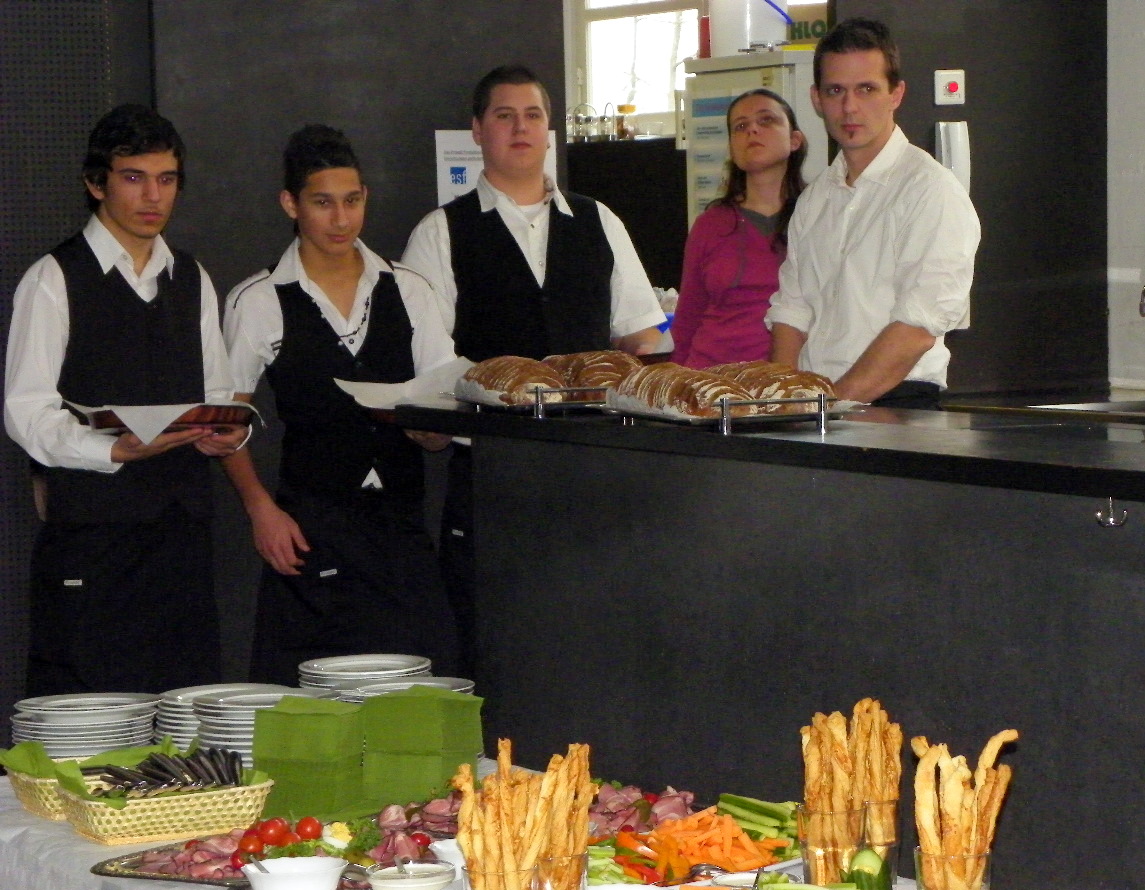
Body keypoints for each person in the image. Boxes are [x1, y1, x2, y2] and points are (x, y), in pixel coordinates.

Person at [401, 64, 667, 671]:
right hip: (489, 472)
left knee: (588, 634)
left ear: (549, 131)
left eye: (533, 115)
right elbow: (428, 362)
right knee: (489, 641)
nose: (520, 128)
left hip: (591, 468)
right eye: (504, 115)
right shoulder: (440, 233)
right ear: (478, 130)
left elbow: (642, 335)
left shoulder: (599, 220)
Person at [4, 104, 245, 696]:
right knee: (94, 719)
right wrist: (111, 451)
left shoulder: (192, 277)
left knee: (185, 715)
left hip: (181, 539)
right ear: (97, 183)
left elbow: (216, 391)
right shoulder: (53, 278)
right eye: (134, 177)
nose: (153, 196)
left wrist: (226, 430)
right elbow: (26, 411)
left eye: (166, 179)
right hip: (94, 540)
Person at [221, 124, 460, 686]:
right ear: (291, 204)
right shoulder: (258, 300)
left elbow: (442, 403)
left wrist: (432, 431)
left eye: (352, 201)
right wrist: (261, 511)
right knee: (309, 705)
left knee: (418, 698)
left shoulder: (410, 289)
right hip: (309, 526)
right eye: (323, 203)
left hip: (401, 526)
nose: (341, 219)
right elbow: (226, 423)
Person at [766, 18, 981, 409]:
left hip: (897, 404)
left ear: (896, 94)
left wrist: (830, 407)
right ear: (816, 99)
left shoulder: (931, 190)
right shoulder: (814, 200)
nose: (849, 107)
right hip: (819, 403)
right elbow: (792, 311)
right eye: (836, 91)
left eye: (866, 89)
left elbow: (917, 329)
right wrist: (781, 402)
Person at [670, 89, 806, 369]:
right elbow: (687, 319)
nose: (752, 130)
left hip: (789, 379)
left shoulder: (818, 215)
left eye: (766, 120)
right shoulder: (710, 224)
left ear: (795, 140)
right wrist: (676, 382)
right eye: (741, 126)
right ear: (732, 148)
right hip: (709, 378)